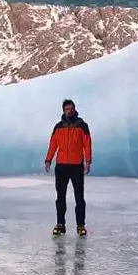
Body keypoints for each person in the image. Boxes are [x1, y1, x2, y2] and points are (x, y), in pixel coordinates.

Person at [45, 99, 92, 236]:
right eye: (67, 109)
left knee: (79, 197)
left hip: (76, 166)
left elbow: (87, 145)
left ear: (74, 109)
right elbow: (53, 145)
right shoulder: (58, 127)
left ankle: (80, 225)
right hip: (61, 167)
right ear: (63, 110)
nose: (69, 111)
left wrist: (88, 162)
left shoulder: (82, 126)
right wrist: (48, 160)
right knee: (60, 197)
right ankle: (60, 224)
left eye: (71, 109)